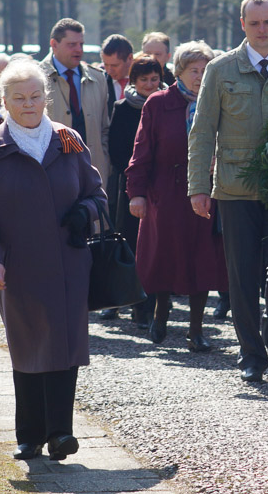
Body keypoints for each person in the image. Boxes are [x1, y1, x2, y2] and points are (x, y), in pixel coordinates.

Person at [0, 57, 107, 462]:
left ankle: (61, 434)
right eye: (18, 98)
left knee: (63, 346)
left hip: (68, 263)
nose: (28, 104)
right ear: (2, 101)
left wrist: (86, 212)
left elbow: (96, 194)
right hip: (17, 266)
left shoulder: (68, 140)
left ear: (46, 98)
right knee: (27, 346)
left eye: (34, 96)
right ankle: (29, 435)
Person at [188, 0, 268, 382]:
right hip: (235, 188)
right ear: (242, 24)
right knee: (242, 275)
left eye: (267, 22)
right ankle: (251, 354)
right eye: (253, 23)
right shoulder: (221, 70)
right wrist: (197, 187)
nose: (261, 29)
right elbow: (202, 130)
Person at [128, 42, 227, 352]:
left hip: (209, 191)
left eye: (205, 70)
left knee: (202, 257)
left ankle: (195, 329)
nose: (200, 76)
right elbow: (141, 150)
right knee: (164, 256)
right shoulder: (158, 103)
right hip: (166, 191)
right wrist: (137, 194)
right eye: (194, 70)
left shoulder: (221, 100)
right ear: (178, 72)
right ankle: (161, 313)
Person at [107, 54, 164, 329]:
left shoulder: (167, 105)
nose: (150, 85)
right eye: (144, 80)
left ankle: (152, 306)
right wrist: (136, 176)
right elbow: (116, 149)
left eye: (155, 79)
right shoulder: (123, 107)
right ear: (134, 81)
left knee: (157, 249)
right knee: (131, 247)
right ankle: (131, 302)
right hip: (132, 186)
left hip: (162, 186)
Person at [39, 18, 111, 182]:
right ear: (54, 44)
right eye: (72, 45)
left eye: (81, 44)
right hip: (52, 174)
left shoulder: (98, 78)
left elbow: (104, 129)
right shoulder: (36, 78)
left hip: (93, 173)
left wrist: (104, 161)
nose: (79, 50)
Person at [100, 34, 134, 112]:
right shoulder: (100, 83)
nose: (109, 71)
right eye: (106, 65)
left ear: (130, 58)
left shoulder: (144, 81)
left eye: (114, 65)